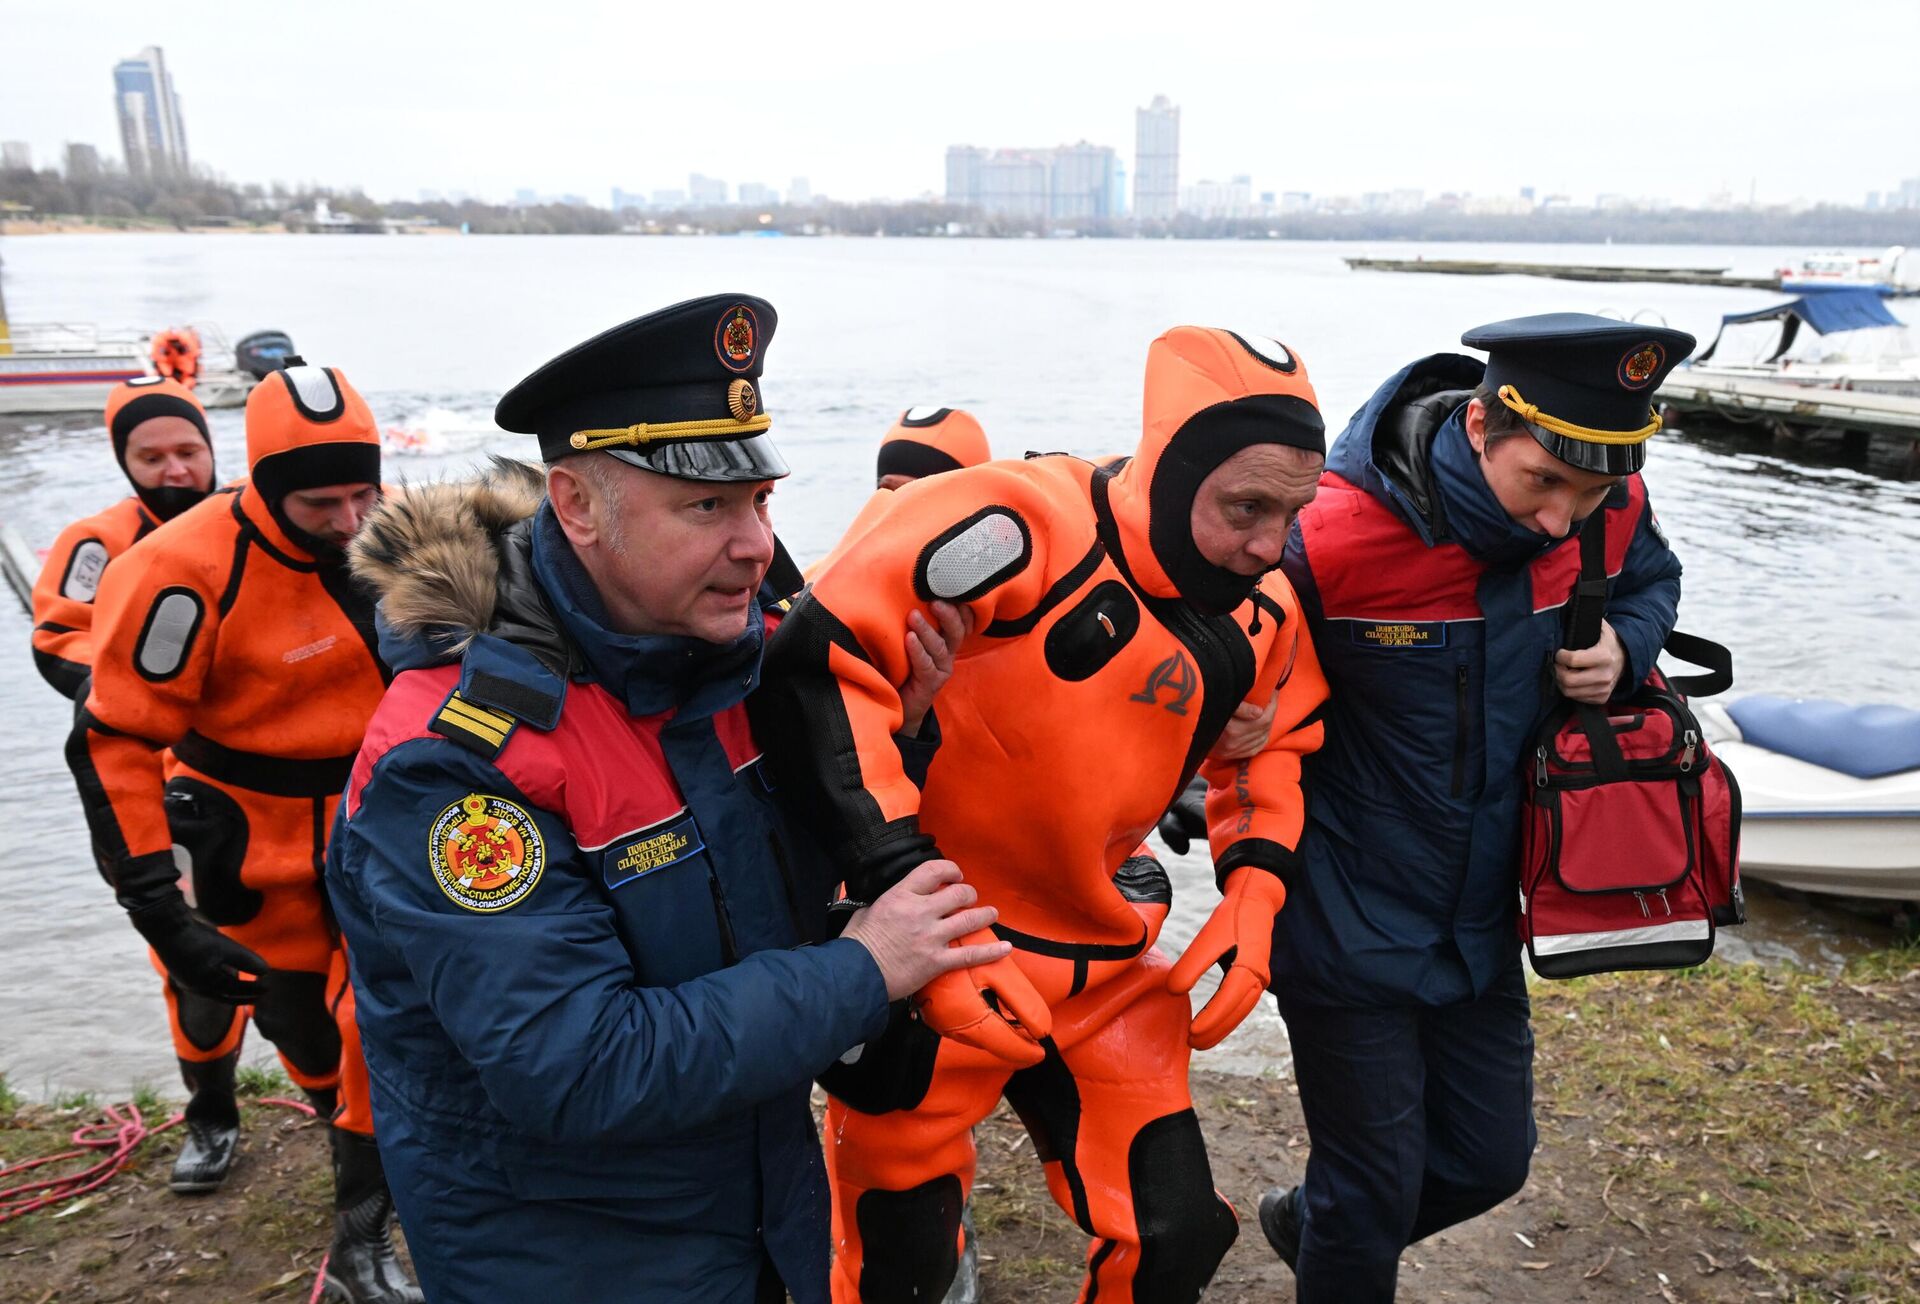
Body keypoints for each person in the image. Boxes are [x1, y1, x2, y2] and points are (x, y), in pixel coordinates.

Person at [324, 295, 1007, 1304]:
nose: (759, 547)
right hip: (573, 1250)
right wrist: (866, 966)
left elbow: (761, 893)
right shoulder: (456, 764)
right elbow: (578, 1063)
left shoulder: (730, 665)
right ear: (576, 504)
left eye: (763, 502)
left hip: (754, 1206)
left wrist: (888, 733)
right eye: (708, 508)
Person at [754, 324, 1333, 1303]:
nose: (1270, 543)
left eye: (1293, 511)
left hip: (1100, 966)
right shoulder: (1020, 523)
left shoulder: (1263, 606)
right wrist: (900, 879)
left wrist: (1255, 887)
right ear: (1173, 464)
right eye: (1245, 506)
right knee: (900, 1268)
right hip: (933, 955)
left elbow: (1281, 739)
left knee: (1177, 1235)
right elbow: (819, 664)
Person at [1255, 314, 1693, 1301]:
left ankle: (1310, 1223)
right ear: (1483, 423)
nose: (1562, 519)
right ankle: (1342, 1234)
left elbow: (1653, 584)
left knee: (1493, 1157)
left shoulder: (1610, 507)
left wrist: (1627, 644)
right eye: (1544, 481)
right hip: (1342, 913)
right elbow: (1225, 674)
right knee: (1372, 1194)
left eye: (1590, 492)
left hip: (1485, 918)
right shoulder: (1328, 533)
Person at [68, 360, 421, 1304]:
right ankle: (302, 1126)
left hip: (381, 824)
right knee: (305, 1035)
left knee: (380, 1033)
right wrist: (154, 905)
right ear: (262, 485)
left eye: (364, 492)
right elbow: (112, 741)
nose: (350, 522)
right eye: (320, 502)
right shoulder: (177, 572)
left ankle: (361, 1239)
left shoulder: (395, 536)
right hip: (249, 846)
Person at [31, 377, 246, 1194]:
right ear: (124, 460)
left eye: (188, 450)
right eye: (151, 455)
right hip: (157, 796)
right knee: (189, 965)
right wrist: (166, 683)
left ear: (212, 448)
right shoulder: (96, 542)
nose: (174, 468)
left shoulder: (249, 522)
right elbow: (57, 643)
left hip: (256, 792)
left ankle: (342, 1109)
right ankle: (213, 1116)